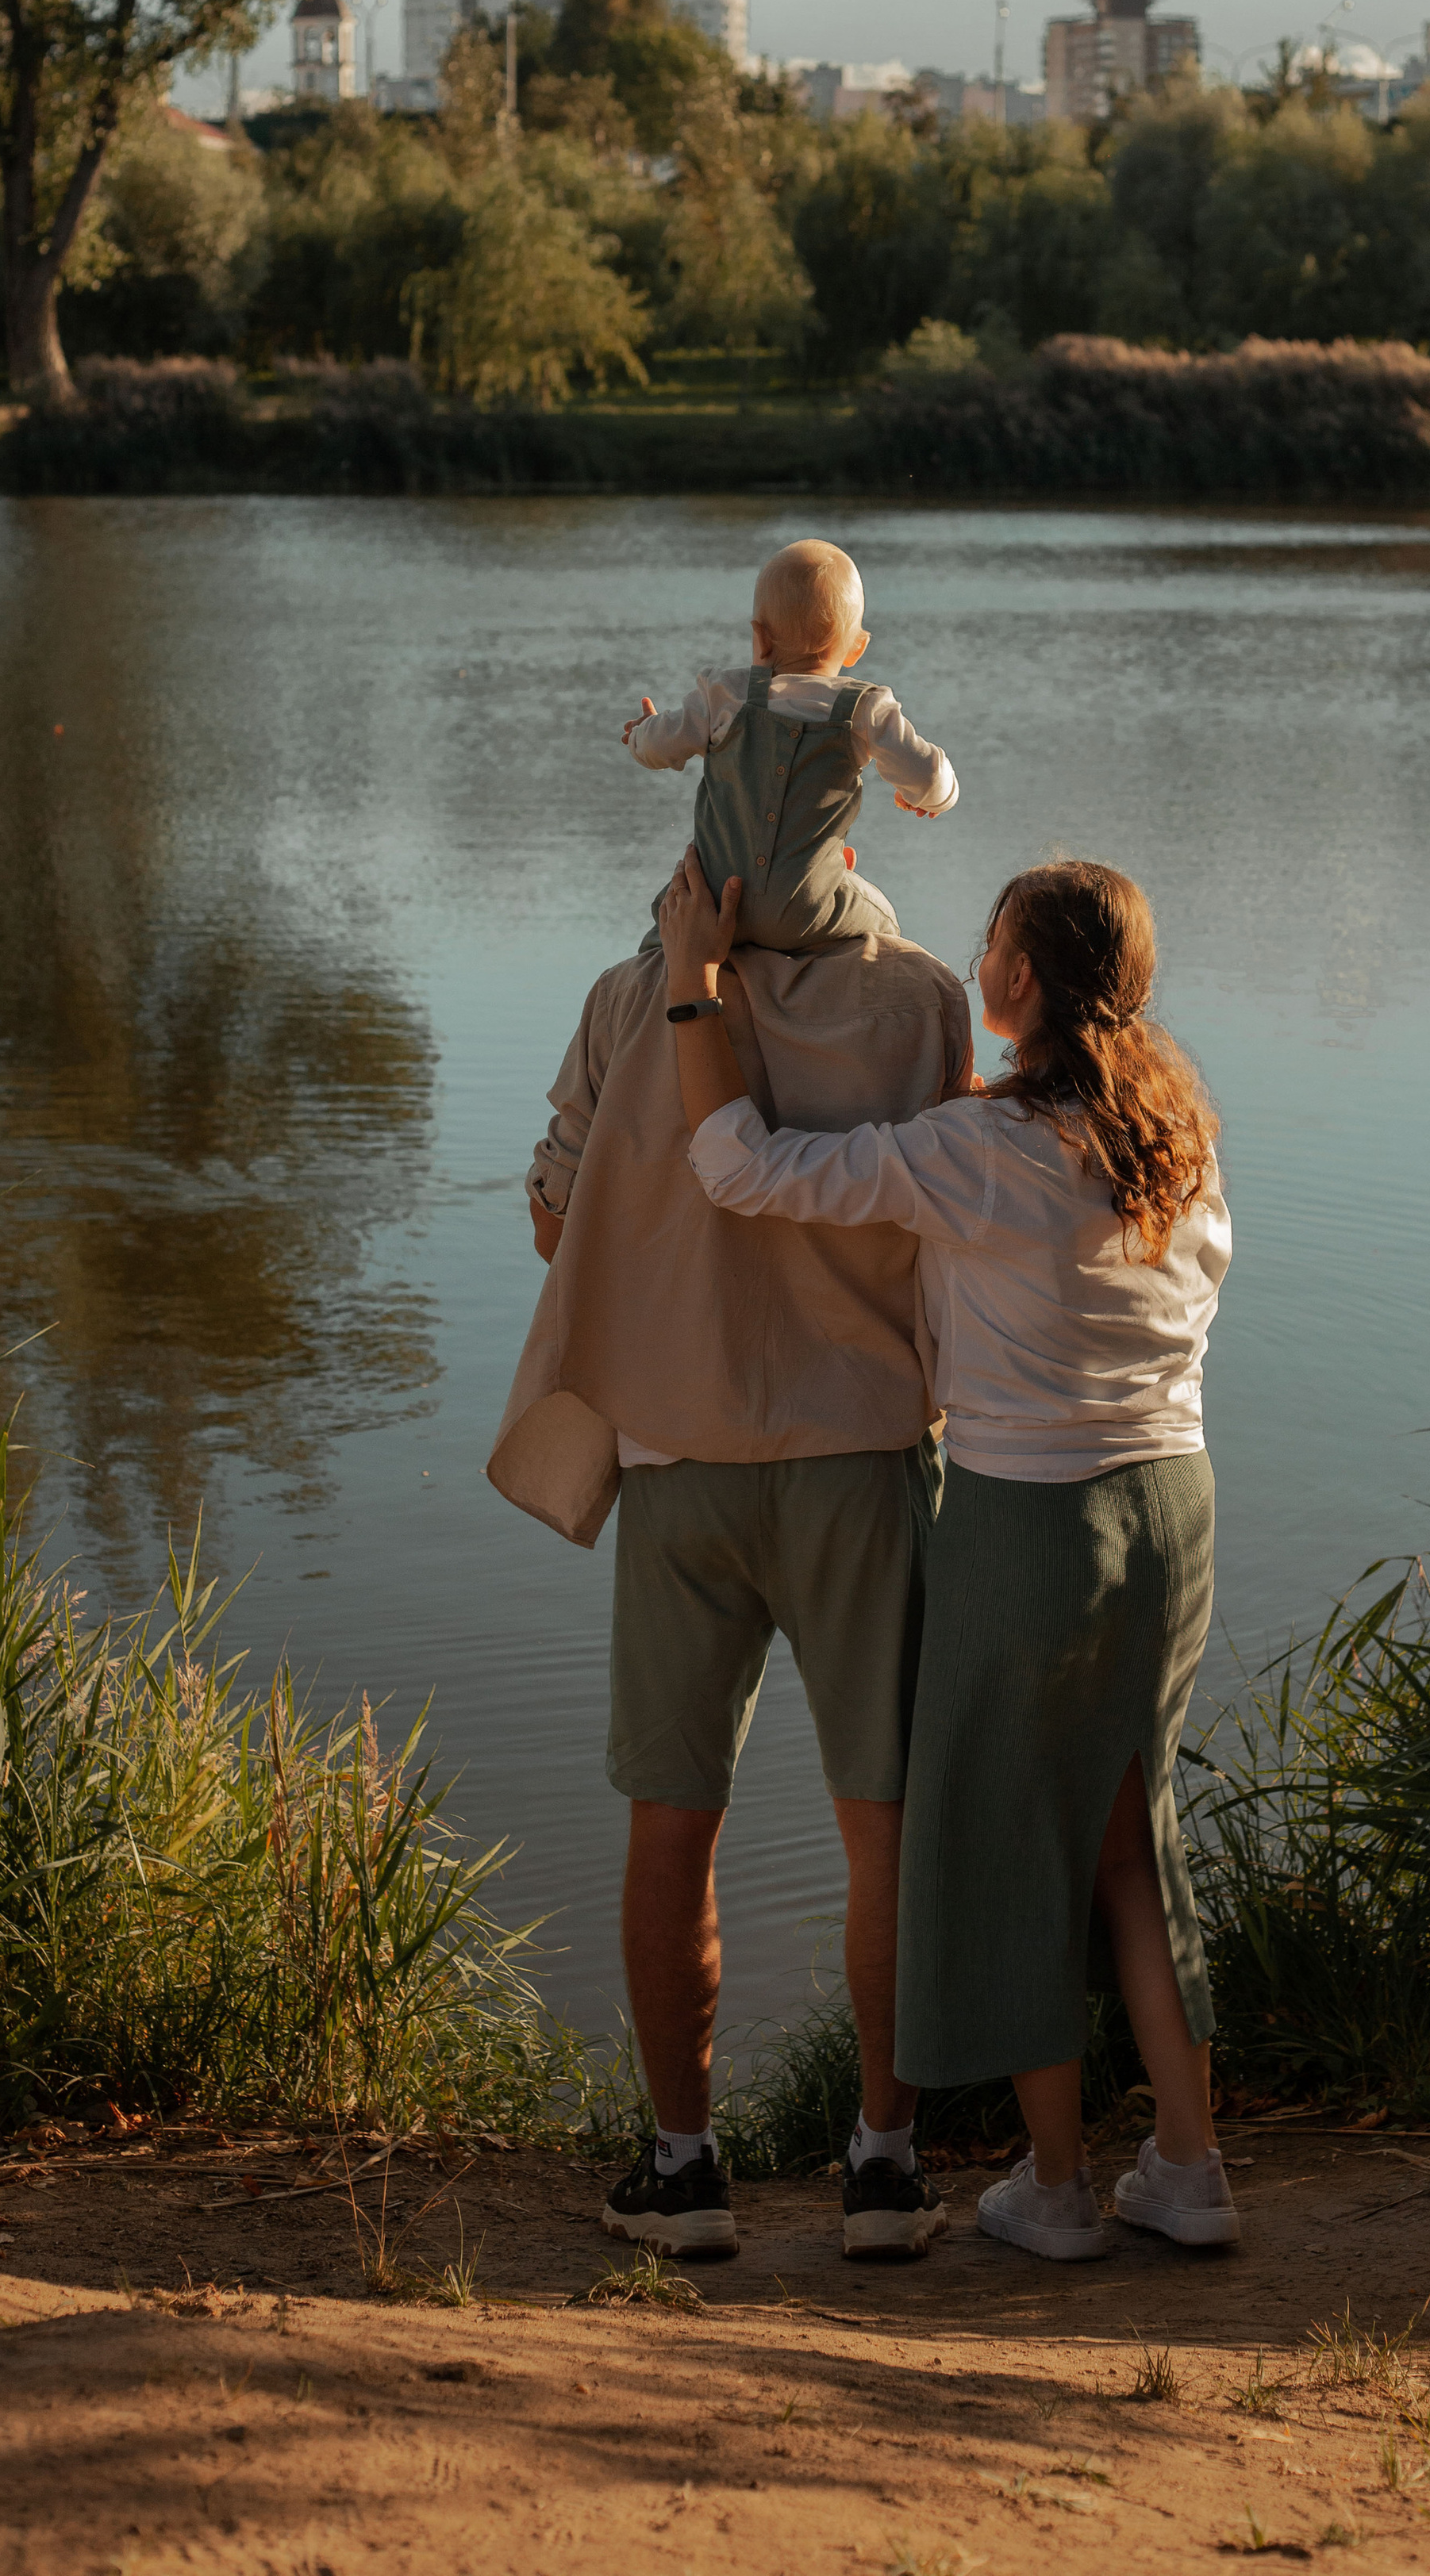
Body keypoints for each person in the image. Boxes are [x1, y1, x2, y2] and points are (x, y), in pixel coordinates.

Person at [658, 845, 1238, 2264]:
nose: (975, 964)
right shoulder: (1172, 1136)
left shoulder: (975, 1153)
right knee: (1125, 1850)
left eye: (989, 944)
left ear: (1020, 979)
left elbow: (741, 1166)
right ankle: (1189, 2165)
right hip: (1172, 1512)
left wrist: (693, 994)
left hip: (1025, 1527)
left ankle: (1055, 2187)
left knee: (1007, 1854)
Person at [487, 891, 971, 2263]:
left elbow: (551, 1228)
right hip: (864, 1456)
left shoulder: (628, 997)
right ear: (843, 841)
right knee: (883, 1825)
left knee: (671, 1817)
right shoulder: (923, 998)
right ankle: (883, 2167)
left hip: (680, 1457)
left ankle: (684, 2171)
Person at [622, 537, 956, 954]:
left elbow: (659, 747)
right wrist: (929, 797)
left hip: (716, 906)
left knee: (660, 928)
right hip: (807, 912)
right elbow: (930, 775)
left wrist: (641, 732)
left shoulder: (723, 694)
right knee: (884, 917)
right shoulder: (864, 709)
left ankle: (656, 966)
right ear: (857, 647)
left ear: (759, 639)